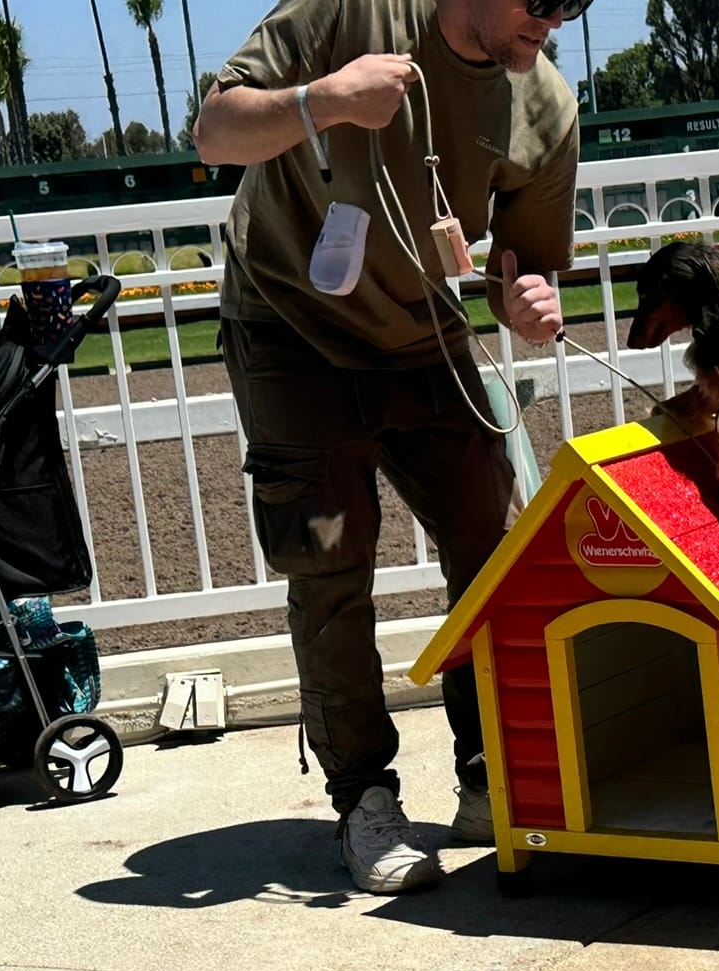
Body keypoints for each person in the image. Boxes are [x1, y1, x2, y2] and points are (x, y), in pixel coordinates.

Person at [192, 0, 589, 895]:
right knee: (330, 561)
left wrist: (526, 301)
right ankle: (365, 797)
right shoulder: (346, 12)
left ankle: (494, 768)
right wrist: (318, 103)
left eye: (576, 3)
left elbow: (519, 266)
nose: (555, 21)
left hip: (423, 335)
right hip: (289, 324)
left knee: (495, 547)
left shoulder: (547, 105)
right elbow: (215, 131)